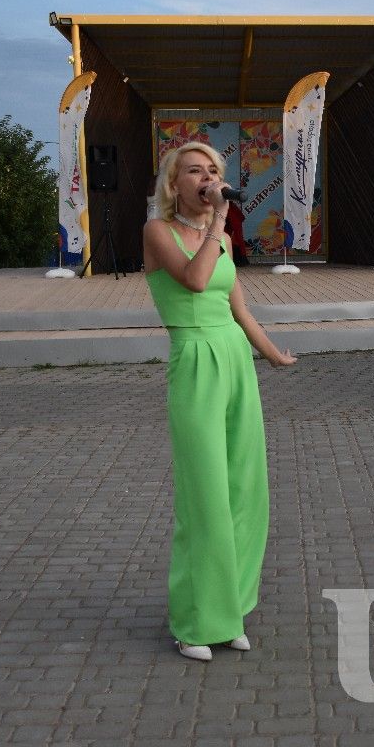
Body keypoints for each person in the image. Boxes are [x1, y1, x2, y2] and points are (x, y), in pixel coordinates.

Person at [142, 141, 296, 662]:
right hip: (194, 361)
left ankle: (227, 610)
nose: (208, 178)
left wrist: (272, 354)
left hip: (235, 362)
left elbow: (239, 309)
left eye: (214, 170)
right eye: (195, 171)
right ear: (174, 184)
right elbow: (195, 279)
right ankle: (193, 621)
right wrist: (218, 222)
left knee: (244, 491)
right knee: (204, 498)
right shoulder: (158, 232)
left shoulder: (223, 237)